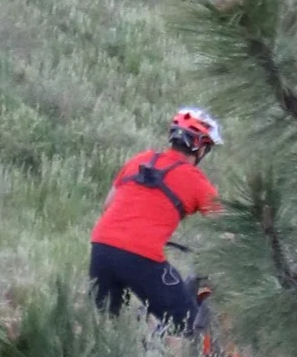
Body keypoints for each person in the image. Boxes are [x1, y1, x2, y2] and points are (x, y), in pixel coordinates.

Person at [89, 107, 224, 331]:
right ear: (199, 147)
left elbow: (108, 204)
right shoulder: (195, 179)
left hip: (102, 246)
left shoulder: (140, 160)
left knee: (104, 326)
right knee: (186, 324)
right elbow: (227, 225)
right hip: (141, 255)